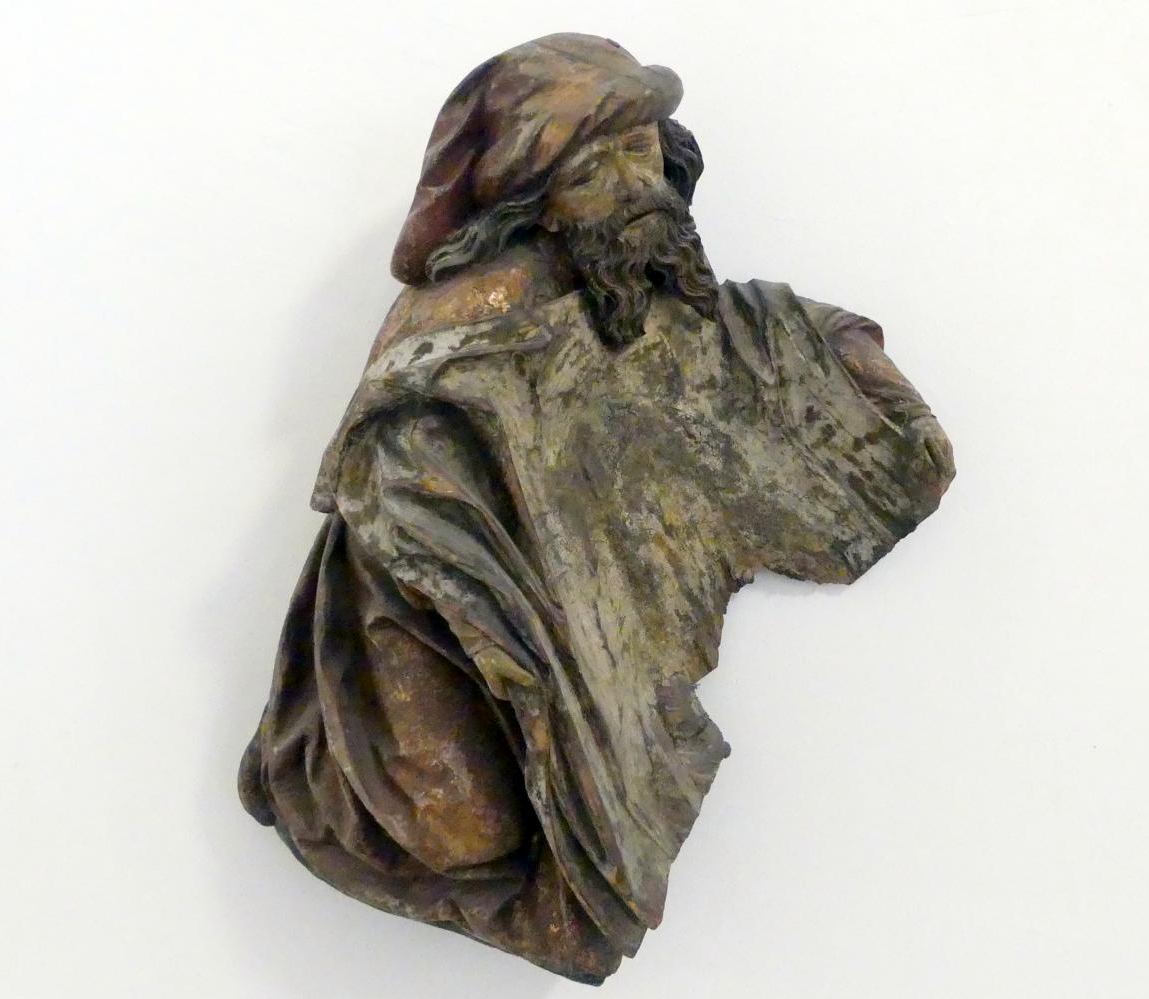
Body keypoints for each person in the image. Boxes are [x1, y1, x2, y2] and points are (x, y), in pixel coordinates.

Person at [239, 33, 954, 983]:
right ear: (535, 199)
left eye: (640, 147)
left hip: (594, 642)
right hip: (448, 618)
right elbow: (393, 458)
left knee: (499, 829)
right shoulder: (476, 312)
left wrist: (836, 346)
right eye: (593, 167)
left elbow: (739, 336)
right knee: (462, 831)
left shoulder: (646, 286)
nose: (634, 182)